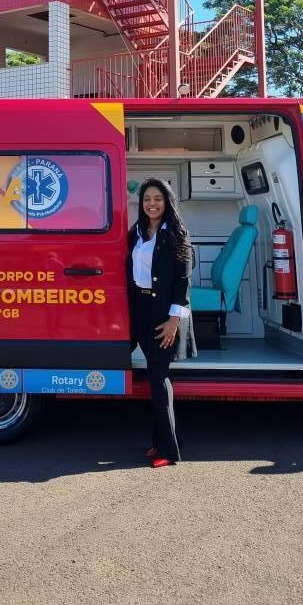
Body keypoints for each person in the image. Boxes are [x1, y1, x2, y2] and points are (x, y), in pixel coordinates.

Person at [127, 178, 196, 467]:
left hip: (164, 315)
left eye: (157, 198)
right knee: (154, 379)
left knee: (159, 379)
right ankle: (162, 442)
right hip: (140, 309)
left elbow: (183, 282)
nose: (151, 204)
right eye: (147, 199)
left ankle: (168, 451)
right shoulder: (137, 232)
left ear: (167, 202)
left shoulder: (176, 234)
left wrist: (172, 321)